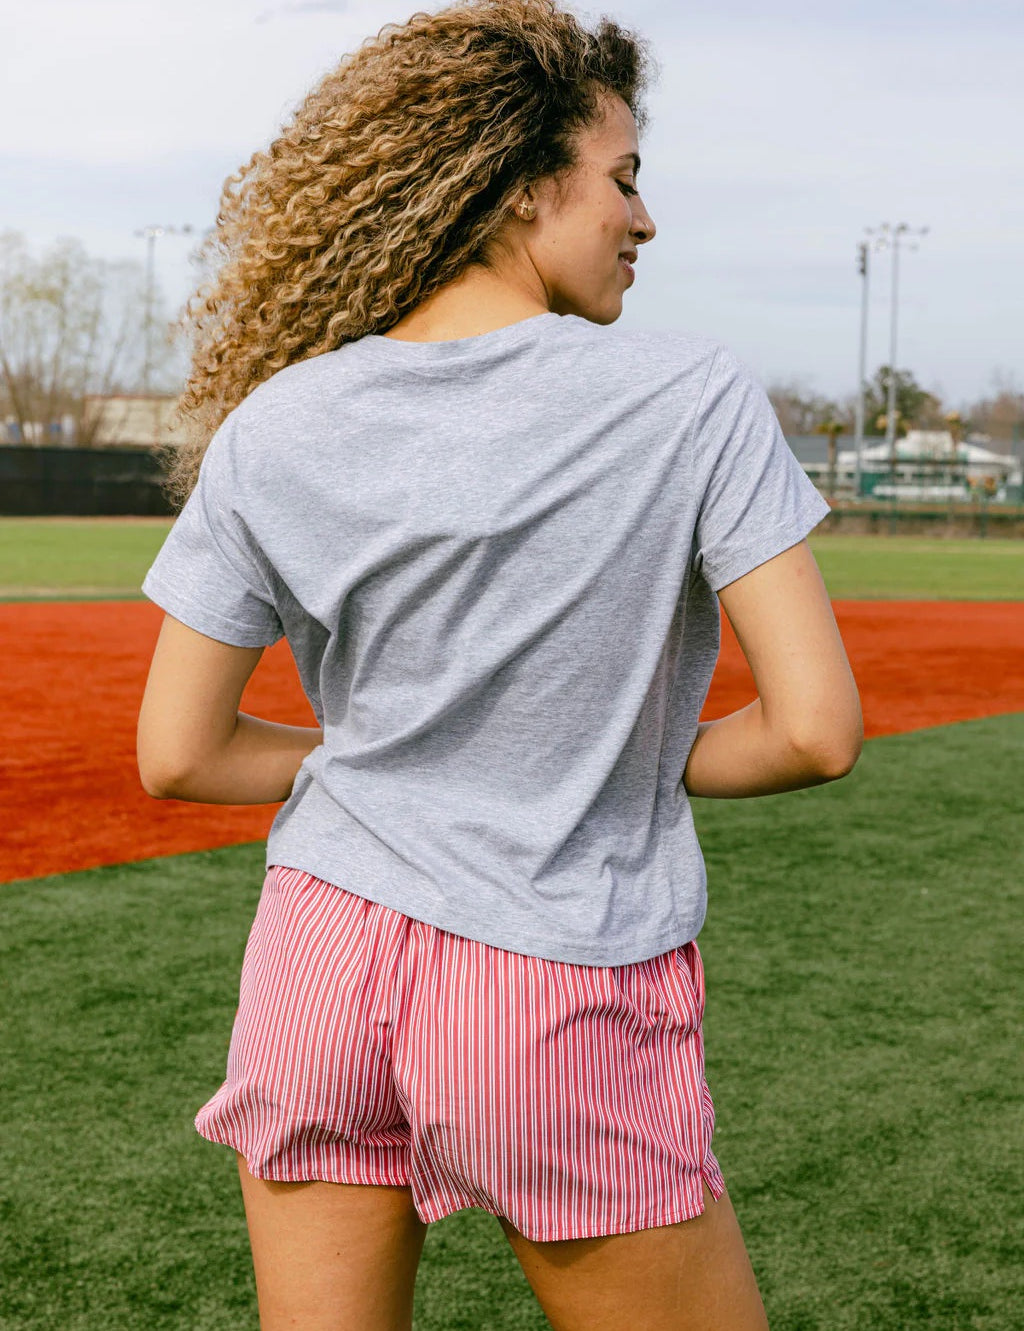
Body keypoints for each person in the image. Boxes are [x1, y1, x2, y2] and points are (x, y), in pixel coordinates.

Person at [136, 1, 863, 1327]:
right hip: (553, 971)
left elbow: (179, 753)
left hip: (315, 964)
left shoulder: (274, 420)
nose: (645, 219)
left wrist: (400, 765)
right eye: (624, 179)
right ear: (523, 190)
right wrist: (621, 758)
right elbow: (814, 729)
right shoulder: (691, 395)